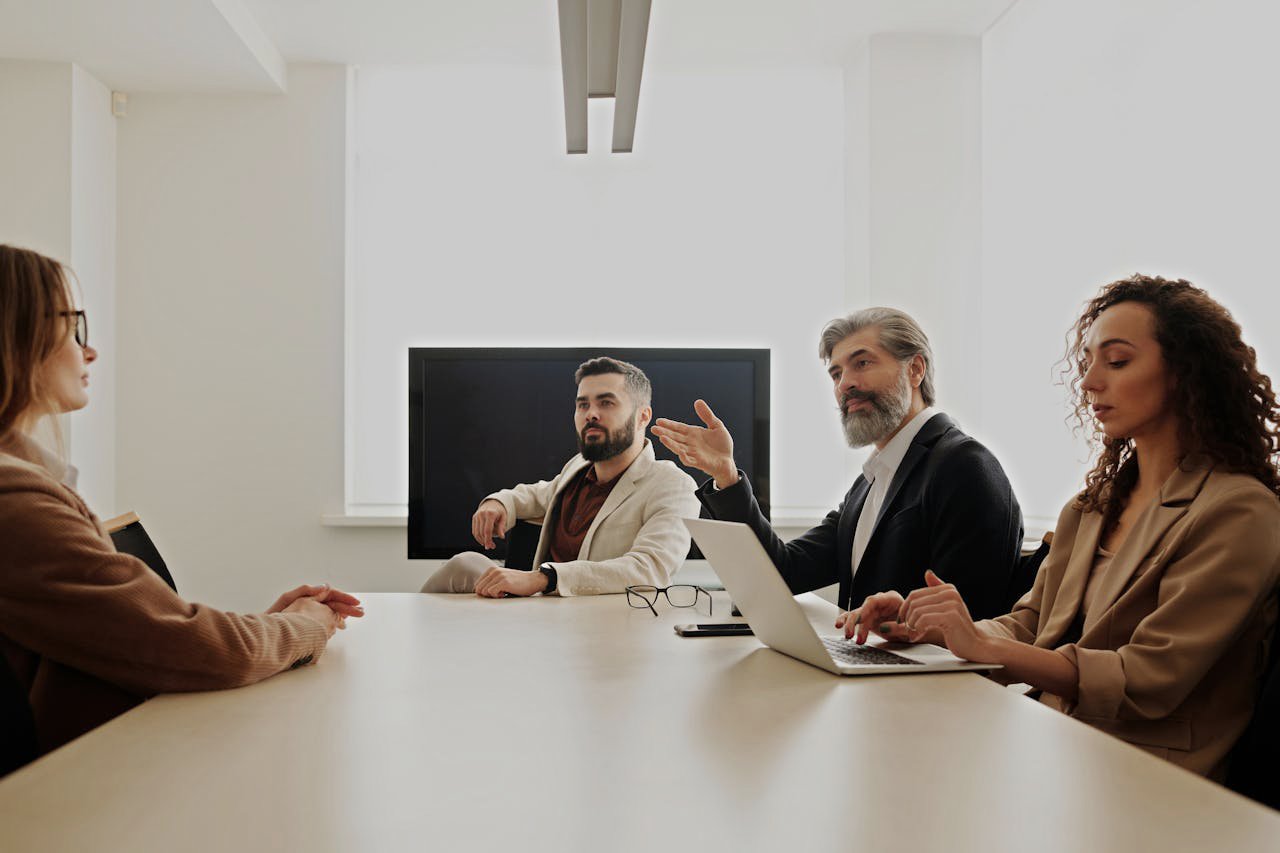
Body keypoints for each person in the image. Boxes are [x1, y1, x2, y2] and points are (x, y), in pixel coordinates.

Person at [846, 275, 1280, 780]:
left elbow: (1145, 680)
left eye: (1117, 361)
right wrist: (931, 628)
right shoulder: (1093, 505)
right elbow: (1031, 625)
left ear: (1187, 372)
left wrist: (984, 647)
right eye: (1089, 362)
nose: (1091, 381)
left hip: (1147, 772)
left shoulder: (1239, 512)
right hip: (1052, 740)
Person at [0, 244, 364, 759]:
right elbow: (187, 646)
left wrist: (267, 630)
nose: (90, 351)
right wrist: (304, 628)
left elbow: (156, 640)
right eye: (73, 325)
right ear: (15, 335)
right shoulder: (13, 500)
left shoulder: (25, 485)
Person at [651, 307, 1024, 619]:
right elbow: (785, 572)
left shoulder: (965, 466)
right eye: (836, 373)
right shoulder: (870, 483)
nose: (845, 383)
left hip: (928, 694)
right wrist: (726, 476)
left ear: (915, 370)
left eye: (862, 363)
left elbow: (970, 621)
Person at [422, 357, 700, 597]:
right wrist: (499, 503)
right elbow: (536, 495)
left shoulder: (673, 485)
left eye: (606, 403)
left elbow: (649, 569)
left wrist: (545, 577)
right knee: (465, 563)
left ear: (643, 416)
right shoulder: (578, 467)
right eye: (583, 405)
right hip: (541, 611)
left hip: (600, 623)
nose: (591, 414)